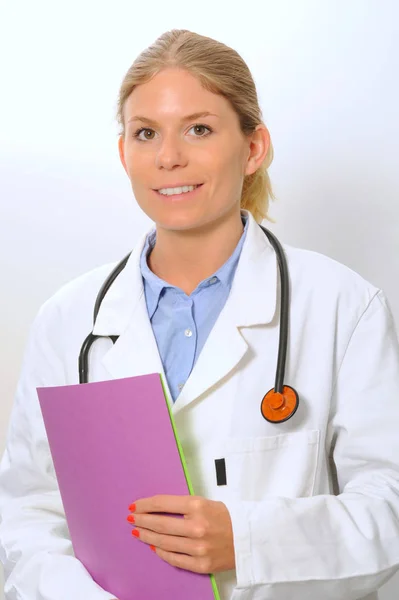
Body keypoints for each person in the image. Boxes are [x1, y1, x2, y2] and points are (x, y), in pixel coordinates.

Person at [0, 28, 399, 600]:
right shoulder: (68, 321)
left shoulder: (344, 307)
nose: (168, 157)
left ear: (254, 147)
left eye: (199, 129)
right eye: (145, 133)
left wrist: (248, 540)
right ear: (123, 154)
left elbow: (390, 507)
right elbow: (27, 510)